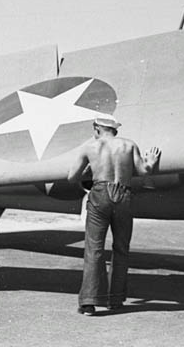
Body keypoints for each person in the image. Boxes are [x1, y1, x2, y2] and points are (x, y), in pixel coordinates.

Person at [67, 116, 161, 316]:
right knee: (121, 249)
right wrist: (151, 162)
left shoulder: (89, 147)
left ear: (97, 128)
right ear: (115, 130)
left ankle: (89, 303)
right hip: (123, 194)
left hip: (100, 192)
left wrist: (88, 171)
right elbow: (144, 170)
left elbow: (71, 177)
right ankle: (115, 300)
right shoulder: (129, 145)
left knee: (94, 248)